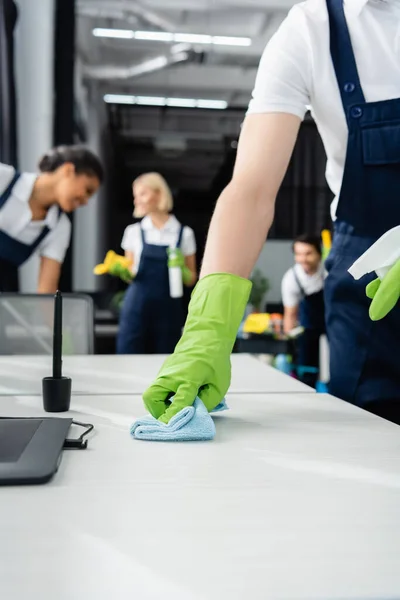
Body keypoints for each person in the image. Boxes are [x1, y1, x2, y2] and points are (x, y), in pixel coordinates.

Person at [142, 0, 400, 425]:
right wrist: (208, 330)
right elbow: (251, 190)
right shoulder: (311, 30)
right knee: (371, 436)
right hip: (367, 285)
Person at [0, 145, 103, 293]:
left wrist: (47, 316)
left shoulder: (59, 227)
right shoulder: (4, 178)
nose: (86, 201)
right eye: (88, 190)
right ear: (68, 170)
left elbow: (46, 290)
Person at [116, 172, 197, 354]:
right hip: (136, 309)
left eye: (142, 194)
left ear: (159, 194)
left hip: (169, 313)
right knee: (128, 359)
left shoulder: (184, 234)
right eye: (135, 196)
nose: (137, 200)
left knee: (166, 362)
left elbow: (191, 279)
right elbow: (130, 275)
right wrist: (121, 270)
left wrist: (182, 268)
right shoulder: (133, 232)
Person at [282, 234, 325, 388]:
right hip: (309, 326)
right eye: (298, 254)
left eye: (308, 253)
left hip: (333, 323)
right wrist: (289, 343)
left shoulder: (329, 271)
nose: (303, 259)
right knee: (307, 368)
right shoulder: (291, 278)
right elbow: (290, 314)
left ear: (318, 253)